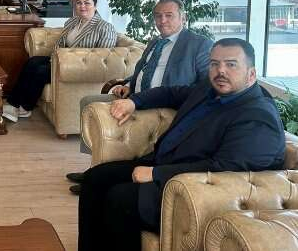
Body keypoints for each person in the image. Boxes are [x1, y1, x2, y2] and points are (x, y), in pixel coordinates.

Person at [78, 38, 285, 251]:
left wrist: (156, 174)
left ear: (251, 74)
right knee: (94, 178)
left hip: (192, 188)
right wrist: (134, 101)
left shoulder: (257, 116)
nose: (220, 71)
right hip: (164, 163)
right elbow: (170, 93)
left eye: (231, 64)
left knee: (120, 199)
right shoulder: (209, 89)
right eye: (215, 64)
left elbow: (224, 168)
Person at [66, 0, 212, 195]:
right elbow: (143, 70)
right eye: (158, 16)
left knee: (105, 113)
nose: (162, 21)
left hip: (164, 105)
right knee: (89, 102)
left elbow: (205, 87)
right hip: (137, 95)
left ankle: (101, 179)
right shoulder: (155, 42)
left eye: (169, 15)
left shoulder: (199, 44)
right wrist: (128, 84)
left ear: (183, 18)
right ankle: (95, 166)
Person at [2, 0, 117, 122]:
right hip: (62, 59)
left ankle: (25, 108)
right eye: (79, 3)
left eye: (87, 3)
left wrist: (63, 61)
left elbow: (103, 58)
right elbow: (61, 41)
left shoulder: (105, 27)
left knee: (41, 71)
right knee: (32, 62)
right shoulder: (73, 21)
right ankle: (13, 103)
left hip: (80, 67)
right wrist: (55, 58)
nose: (82, 6)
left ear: (95, 6)